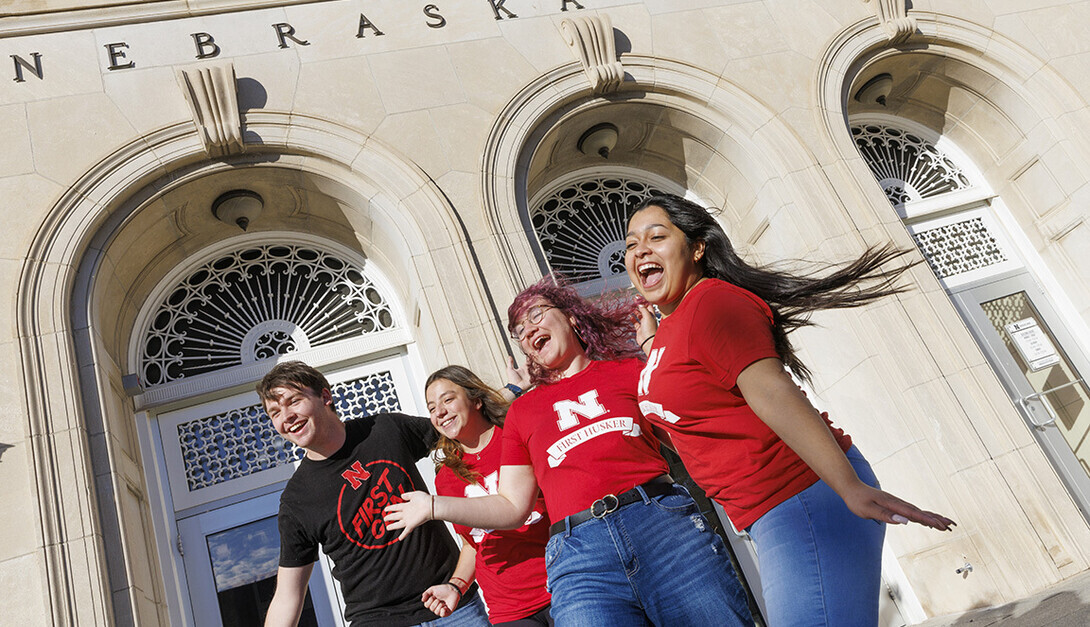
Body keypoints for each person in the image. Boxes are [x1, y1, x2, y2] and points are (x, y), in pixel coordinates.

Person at [623, 193, 956, 626]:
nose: (640, 250)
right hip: (774, 513)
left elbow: (772, 391)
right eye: (631, 244)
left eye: (657, 236)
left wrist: (848, 486)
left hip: (802, 498)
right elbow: (690, 398)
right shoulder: (676, 325)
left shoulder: (713, 303)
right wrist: (652, 342)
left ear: (698, 247)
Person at [385, 279, 754, 627]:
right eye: (519, 332)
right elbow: (513, 507)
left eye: (536, 315)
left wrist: (654, 348)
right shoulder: (523, 413)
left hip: (661, 525)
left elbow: (690, 433)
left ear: (571, 317)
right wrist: (433, 506)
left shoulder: (627, 373)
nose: (528, 331)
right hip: (580, 554)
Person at [257, 360, 490, 627]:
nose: (285, 417)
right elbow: (288, 596)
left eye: (294, 401)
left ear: (325, 396)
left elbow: (460, 425)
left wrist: (513, 391)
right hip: (376, 620)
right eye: (274, 412)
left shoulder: (384, 430)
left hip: (452, 606)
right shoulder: (296, 500)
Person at [426, 364, 554, 626]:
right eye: (431, 408)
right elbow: (474, 542)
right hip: (508, 610)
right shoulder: (445, 478)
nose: (439, 412)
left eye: (448, 399)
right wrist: (455, 586)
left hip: (563, 585)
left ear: (475, 401)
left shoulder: (518, 437)